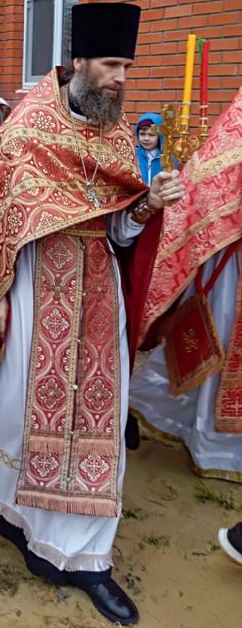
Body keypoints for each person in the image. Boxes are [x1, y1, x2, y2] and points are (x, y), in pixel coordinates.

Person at [0, 4, 183, 626]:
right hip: (33, 285)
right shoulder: (28, 128)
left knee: (100, 416)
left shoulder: (117, 134)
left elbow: (121, 232)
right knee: (18, 407)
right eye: (111, 64)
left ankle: (86, 557)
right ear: (79, 61)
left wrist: (149, 203)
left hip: (98, 291)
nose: (120, 78)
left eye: (127, 67)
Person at [129, 85, 242, 481]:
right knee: (221, 344)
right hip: (231, 265)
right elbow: (204, 193)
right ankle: (210, 440)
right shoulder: (232, 133)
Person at [133, 111, 167, 184]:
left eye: (151, 135)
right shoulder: (133, 155)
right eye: (142, 134)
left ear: (160, 136)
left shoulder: (168, 158)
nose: (146, 138)